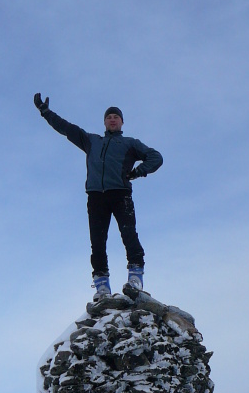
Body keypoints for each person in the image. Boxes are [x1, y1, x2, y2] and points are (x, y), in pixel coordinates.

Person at [34, 94, 163, 300]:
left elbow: (156, 157)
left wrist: (138, 172)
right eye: (109, 116)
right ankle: (102, 285)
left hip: (120, 194)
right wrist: (46, 112)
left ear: (122, 122)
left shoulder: (130, 143)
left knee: (129, 235)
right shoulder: (91, 141)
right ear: (104, 121)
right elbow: (67, 128)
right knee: (97, 242)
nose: (112, 119)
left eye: (116, 117)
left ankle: (135, 276)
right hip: (96, 197)